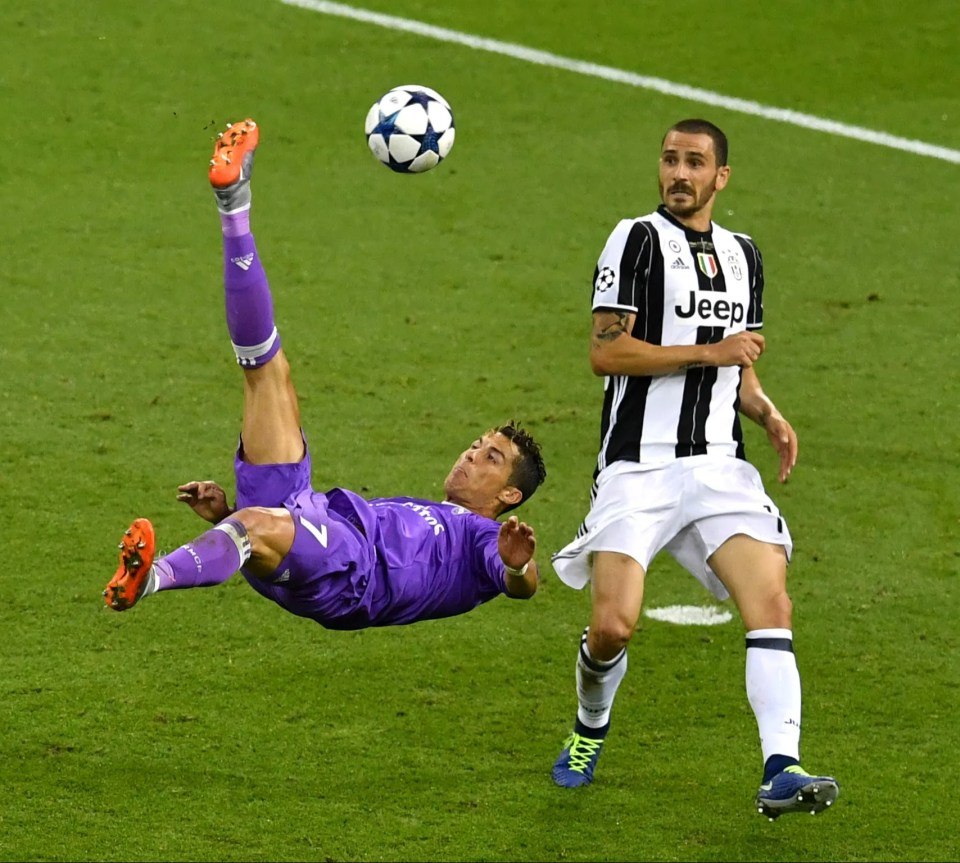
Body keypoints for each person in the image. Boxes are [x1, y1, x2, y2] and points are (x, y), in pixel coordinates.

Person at [103, 118, 547, 634]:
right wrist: (227, 511)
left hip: (351, 572)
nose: (471, 454)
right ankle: (234, 204)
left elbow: (522, 585)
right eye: (477, 444)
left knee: (251, 526)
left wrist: (516, 564)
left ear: (510, 495)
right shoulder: (433, 512)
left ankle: (150, 578)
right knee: (268, 372)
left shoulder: (482, 540)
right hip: (315, 517)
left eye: (491, 458)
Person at [549, 119, 839, 820]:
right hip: (636, 469)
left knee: (771, 602)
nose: (679, 173)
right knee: (613, 625)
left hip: (717, 467)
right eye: (670, 159)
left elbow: (737, 359)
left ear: (721, 178)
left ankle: (781, 767)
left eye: (695, 163)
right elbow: (607, 353)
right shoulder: (636, 239)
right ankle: (591, 726)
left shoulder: (745, 255)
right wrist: (712, 353)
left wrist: (763, 410)